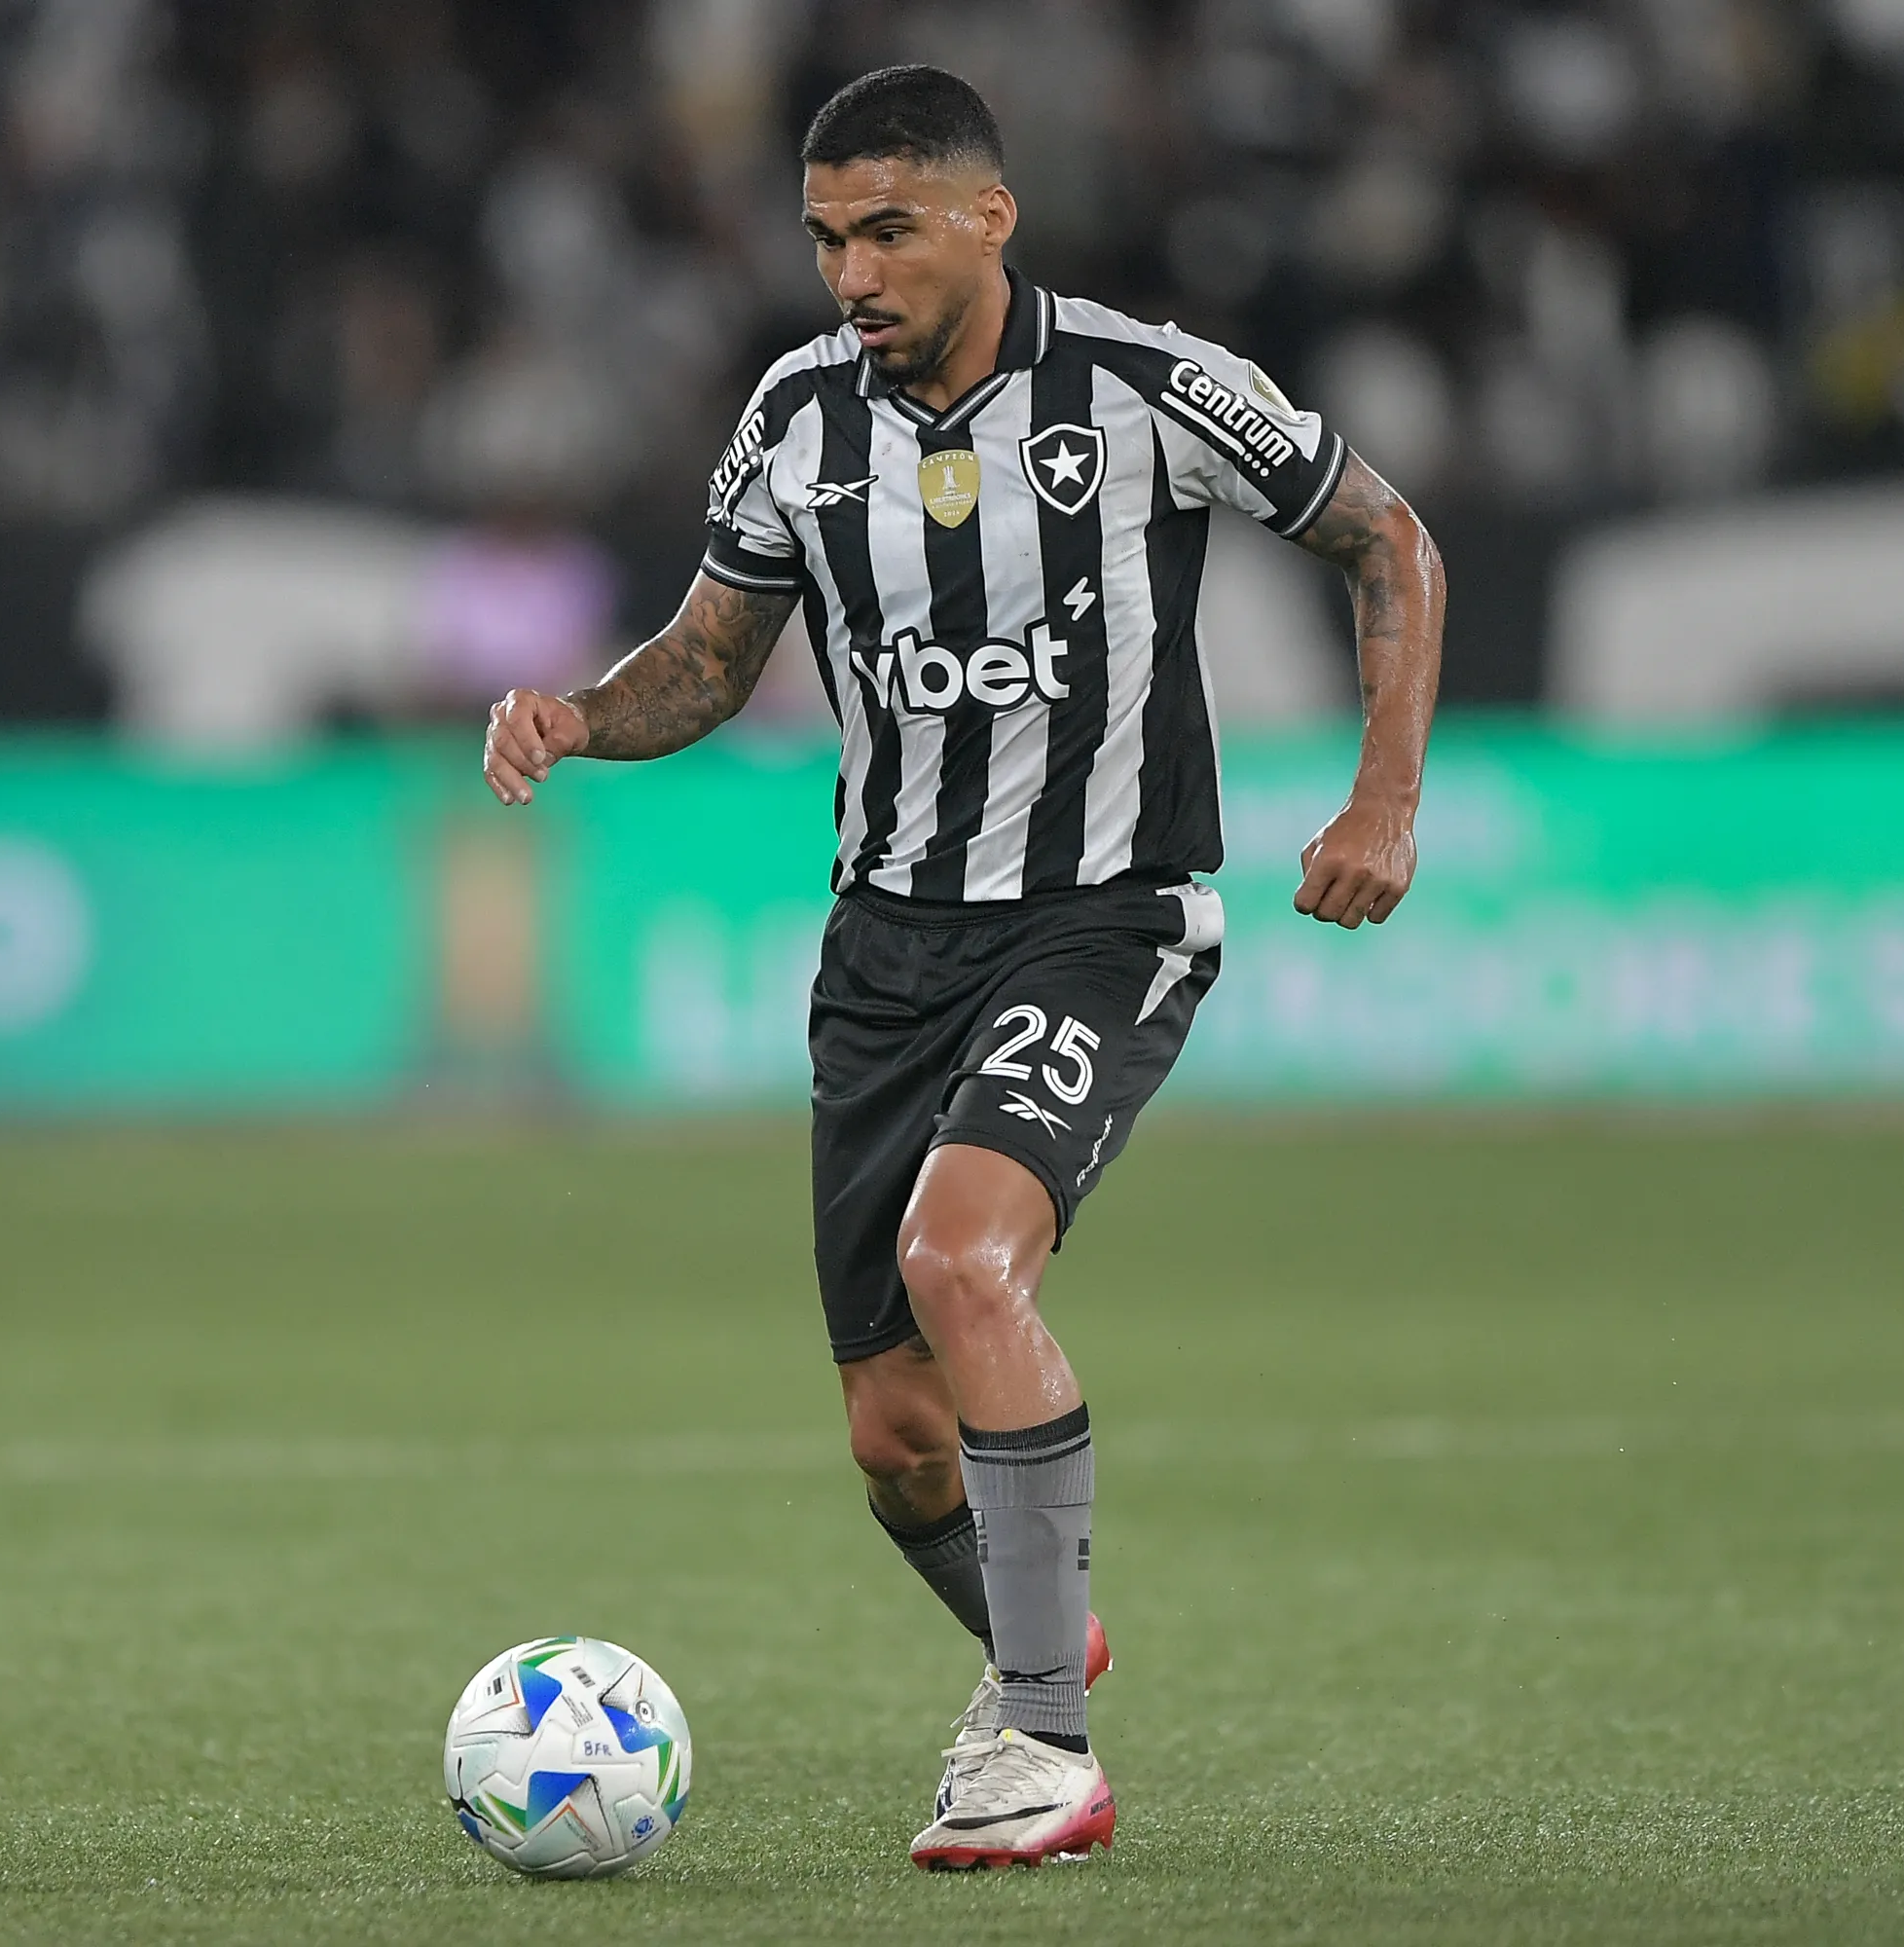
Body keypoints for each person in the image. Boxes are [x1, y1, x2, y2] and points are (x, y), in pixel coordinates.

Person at [480, 65, 1444, 1870]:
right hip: (885, 952)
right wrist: (577, 717)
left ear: (991, 217)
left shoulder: (1147, 389)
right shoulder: (794, 421)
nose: (852, 271)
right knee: (895, 1428)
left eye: (889, 230)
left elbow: (1386, 536)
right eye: (828, 235)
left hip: (1105, 917)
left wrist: (1381, 796)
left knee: (962, 1257)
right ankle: (1035, 1617)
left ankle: (1046, 1751)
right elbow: (706, 658)